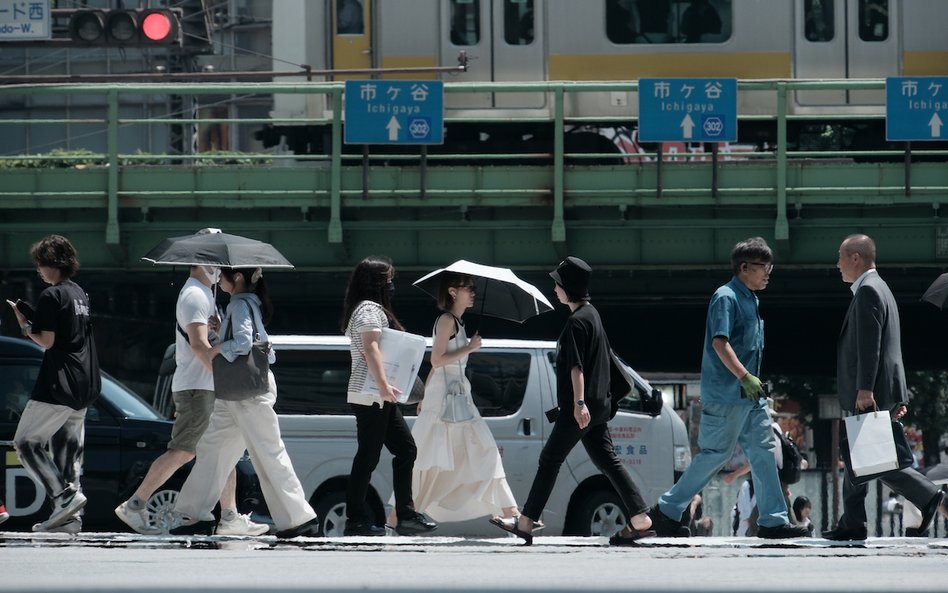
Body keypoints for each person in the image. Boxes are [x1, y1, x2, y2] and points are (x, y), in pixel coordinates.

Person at [649, 237, 807, 539]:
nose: (768, 273)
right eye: (764, 267)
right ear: (744, 267)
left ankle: (773, 520)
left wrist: (751, 382)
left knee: (763, 452)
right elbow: (719, 342)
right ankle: (667, 510)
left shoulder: (750, 298)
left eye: (770, 267)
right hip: (727, 395)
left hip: (750, 397)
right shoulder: (726, 297)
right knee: (715, 455)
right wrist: (745, 376)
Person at [492, 256, 654, 546]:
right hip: (599, 406)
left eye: (557, 283)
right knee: (607, 460)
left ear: (568, 287)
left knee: (550, 460)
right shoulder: (593, 316)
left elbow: (576, 367)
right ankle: (640, 518)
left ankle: (526, 522)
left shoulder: (576, 323)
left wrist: (579, 404)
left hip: (581, 408)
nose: (555, 289)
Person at [115, 229, 266, 536]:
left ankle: (229, 516)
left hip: (204, 385)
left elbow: (206, 340)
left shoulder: (205, 295)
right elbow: (199, 345)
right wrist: (220, 374)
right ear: (202, 260)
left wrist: (220, 329)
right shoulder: (195, 295)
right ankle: (134, 505)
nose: (221, 267)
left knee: (220, 451)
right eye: (216, 261)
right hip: (199, 386)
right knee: (184, 450)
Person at [170, 267, 319, 538]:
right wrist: (219, 332)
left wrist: (216, 348)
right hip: (241, 390)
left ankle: (298, 517)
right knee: (215, 447)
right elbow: (260, 348)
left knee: (264, 452)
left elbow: (243, 344)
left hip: (245, 392)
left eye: (222, 275)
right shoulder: (246, 304)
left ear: (236, 277)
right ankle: (193, 514)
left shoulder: (239, 304)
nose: (218, 277)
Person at [824, 234, 948, 540]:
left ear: (856, 258)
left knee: (874, 458)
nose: (837, 264)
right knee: (859, 454)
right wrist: (897, 392)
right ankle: (852, 522)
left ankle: (928, 495)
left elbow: (872, 346)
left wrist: (865, 389)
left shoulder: (868, 291)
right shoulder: (880, 288)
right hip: (883, 388)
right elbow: (893, 346)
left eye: (841, 257)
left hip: (872, 390)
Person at [399, 272, 522, 528]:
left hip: (454, 396)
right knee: (437, 459)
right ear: (453, 292)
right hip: (448, 400)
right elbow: (436, 360)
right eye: (468, 288)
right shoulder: (446, 320)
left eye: (473, 289)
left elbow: (437, 363)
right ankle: (512, 513)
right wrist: (470, 348)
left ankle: (512, 512)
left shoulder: (458, 322)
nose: (473, 293)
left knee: (440, 460)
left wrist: (425, 393)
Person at [7, 235, 101, 534]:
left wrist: (24, 325)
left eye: (40, 264)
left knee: (25, 444)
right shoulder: (80, 294)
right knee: (67, 451)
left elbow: (47, 341)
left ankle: (64, 497)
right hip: (84, 383)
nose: (39, 271)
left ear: (52, 264)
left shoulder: (51, 295)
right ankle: (69, 520)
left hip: (57, 384)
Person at [341, 256, 437, 537]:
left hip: (377, 394)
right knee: (368, 457)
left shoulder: (364, 309)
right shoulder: (369, 310)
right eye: (388, 280)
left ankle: (405, 514)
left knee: (405, 450)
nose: (392, 285)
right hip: (372, 393)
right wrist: (383, 385)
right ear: (376, 283)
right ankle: (356, 519)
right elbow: (371, 348)